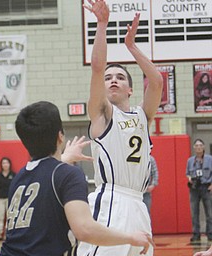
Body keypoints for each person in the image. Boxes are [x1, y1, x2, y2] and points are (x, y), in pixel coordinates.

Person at [0, 101, 154, 256]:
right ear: (60, 137)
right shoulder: (68, 174)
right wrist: (130, 237)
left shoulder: (19, 177)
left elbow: (45, 172)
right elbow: (85, 229)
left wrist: (64, 156)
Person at [77, 1, 163, 256]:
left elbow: (157, 81)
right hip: (111, 200)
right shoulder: (102, 114)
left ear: (130, 89)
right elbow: (97, 67)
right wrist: (102, 26)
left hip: (138, 204)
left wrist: (132, 46)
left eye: (120, 77)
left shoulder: (142, 115)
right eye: (109, 78)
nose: (113, 79)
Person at [186, 139, 212, 243]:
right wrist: (189, 179)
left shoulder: (210, 159)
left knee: (209, 212)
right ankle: (196, 234)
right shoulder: (190, 160)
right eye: (196, 145)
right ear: (194, 147)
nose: (198, 147)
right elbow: (187, 173)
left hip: (206, 187)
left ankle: (210, 233)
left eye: (200, 145)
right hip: (194, 188)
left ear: (204, 147)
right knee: (194, 212)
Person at [0, 157, 15, 240]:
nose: (5, 165)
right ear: (1, 165)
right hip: (0, 198)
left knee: (10, 216)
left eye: (7, 163)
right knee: (0, 216)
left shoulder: (13, 175)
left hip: (11, 199)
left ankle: (8, 233)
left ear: (9, 164)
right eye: (3, 163)